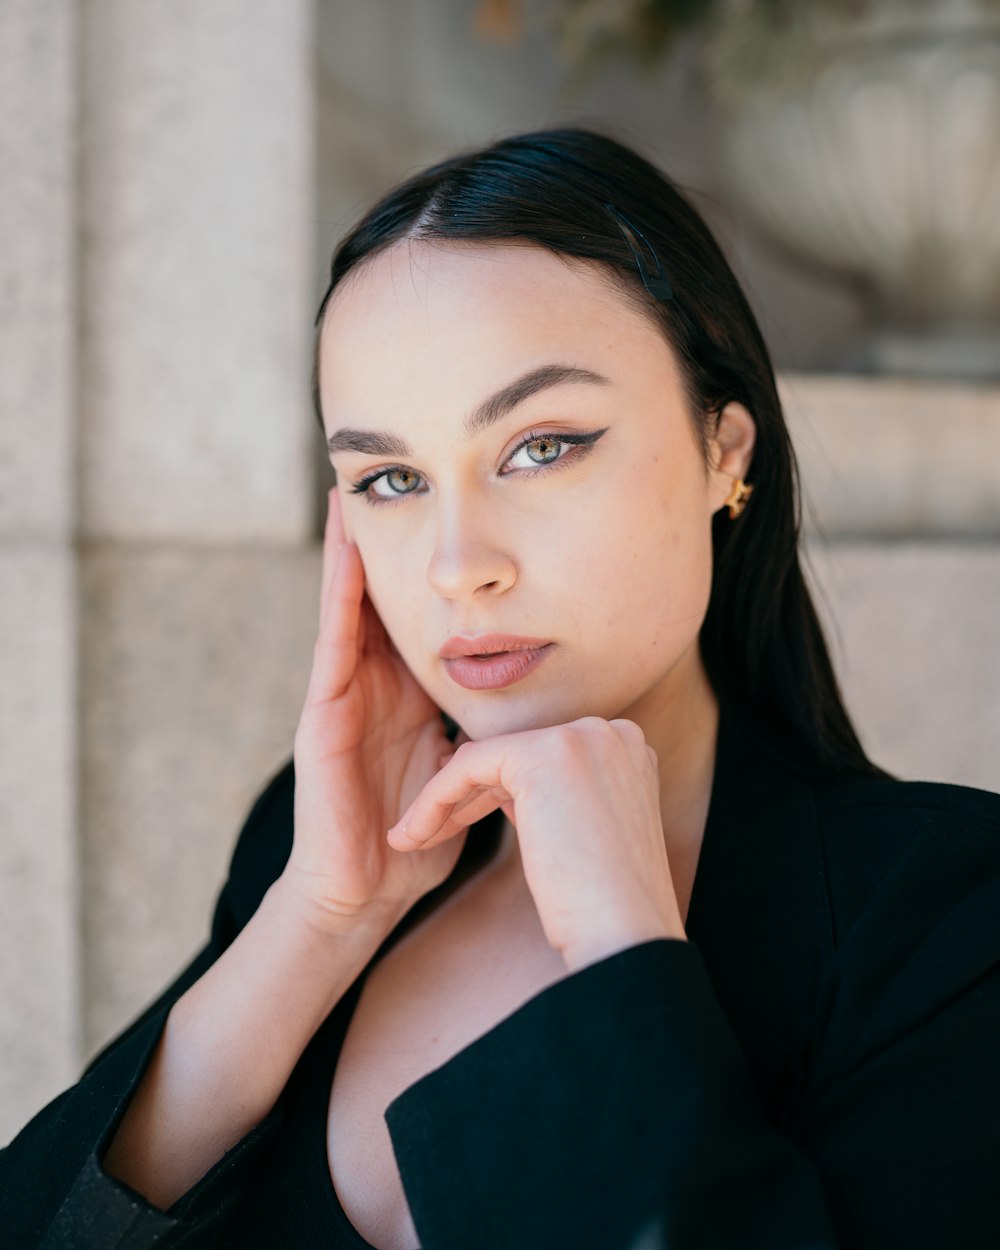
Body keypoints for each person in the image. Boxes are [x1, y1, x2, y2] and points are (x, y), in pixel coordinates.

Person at [3, 127, 999, 1250]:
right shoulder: (313, 843)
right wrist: (319, 921)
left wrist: (625, 949)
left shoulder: (944, 914)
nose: (454, 562)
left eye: (540, 447)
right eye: (389, 478)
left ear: (723, 448)